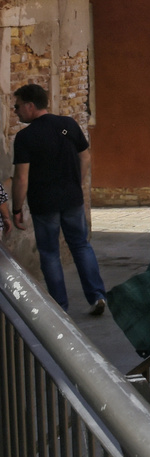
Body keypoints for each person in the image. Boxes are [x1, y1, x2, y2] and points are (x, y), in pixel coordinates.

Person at [8, 84, 107, 314]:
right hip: (71, 198)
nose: (16, 111)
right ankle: (97, 296)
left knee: (50, 253)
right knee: (81, 246)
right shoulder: (68, 125)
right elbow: (85, 157)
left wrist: (17, 208)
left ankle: (59, 307)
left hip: (44, 204)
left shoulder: (25, 137)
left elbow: (21, 177)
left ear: (30, 106)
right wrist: (77, 183)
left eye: (18, 106)